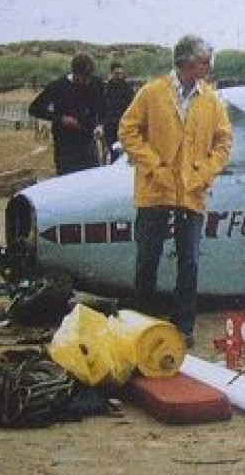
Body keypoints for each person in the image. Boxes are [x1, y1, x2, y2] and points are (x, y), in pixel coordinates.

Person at [117, 35, 233, 344]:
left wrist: (204, 172)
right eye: (203, 62)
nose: (208, 68)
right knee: (147, 260)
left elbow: (224, 142)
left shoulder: (211, 99)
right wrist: (153, 166)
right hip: (155, 192)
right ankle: (141, 326)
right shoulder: (152, 93)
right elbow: (127, 130)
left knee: (190, 261)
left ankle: (184, 327)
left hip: (192, 195)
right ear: (185, 62)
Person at [28, 53, 106, 175]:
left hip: (88, 143)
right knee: (68, 182)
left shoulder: (97, 83)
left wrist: (100, 125)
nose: (87, 81)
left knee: (92, 181)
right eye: (84, 78)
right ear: (75, 73)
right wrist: (60, 118)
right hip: (65, 147)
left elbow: (103, 108)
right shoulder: (57, 87)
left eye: (89, 76)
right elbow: (34, 108)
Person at [101, 61, 136, 158]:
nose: (119, 76)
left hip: (123, 125)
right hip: (109, 126)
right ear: (111, 73)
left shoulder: (127, 87)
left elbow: (133, 105)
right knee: (112, 153)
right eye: (116, 74)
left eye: (120, 73)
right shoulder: (105, 88)